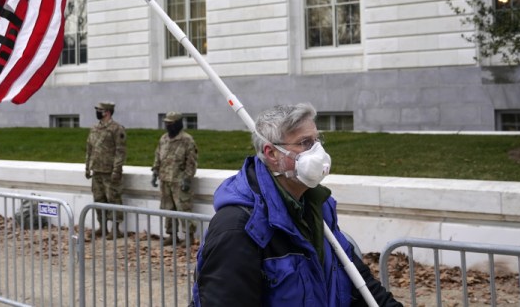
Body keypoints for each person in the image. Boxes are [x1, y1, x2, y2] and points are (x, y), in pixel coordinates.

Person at [190, 103, 402, 306]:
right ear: (271, 153)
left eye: (318, 140)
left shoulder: (318, 208)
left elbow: (359, 284)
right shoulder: (239, 228)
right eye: (305, 143)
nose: (318, 151)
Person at [151, 111, 198, 246]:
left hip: (179, 180)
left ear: (178, 124)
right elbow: (158, 156)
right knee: (168, 208)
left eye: (170, 124)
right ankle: (172, 235)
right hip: (165, 179)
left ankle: (189, 236)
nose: (168, 126)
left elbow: (191, 161)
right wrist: (155, 172)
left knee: (183, 208)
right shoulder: (164, 139)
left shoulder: (187, 140)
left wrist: (187, 178)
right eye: (166, 123)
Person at [85, 101, 127, 239]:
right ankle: (102, 227)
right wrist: (87, 167)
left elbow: (120, 151)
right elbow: (89, 149)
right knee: (99, 200)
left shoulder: (116, 129)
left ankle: (115, 229)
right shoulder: (94, 128)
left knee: (113, 200)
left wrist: (117, 170)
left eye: (99, 110)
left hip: (110, 172)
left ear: (107, 112)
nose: (97, 112)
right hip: (97, 170)